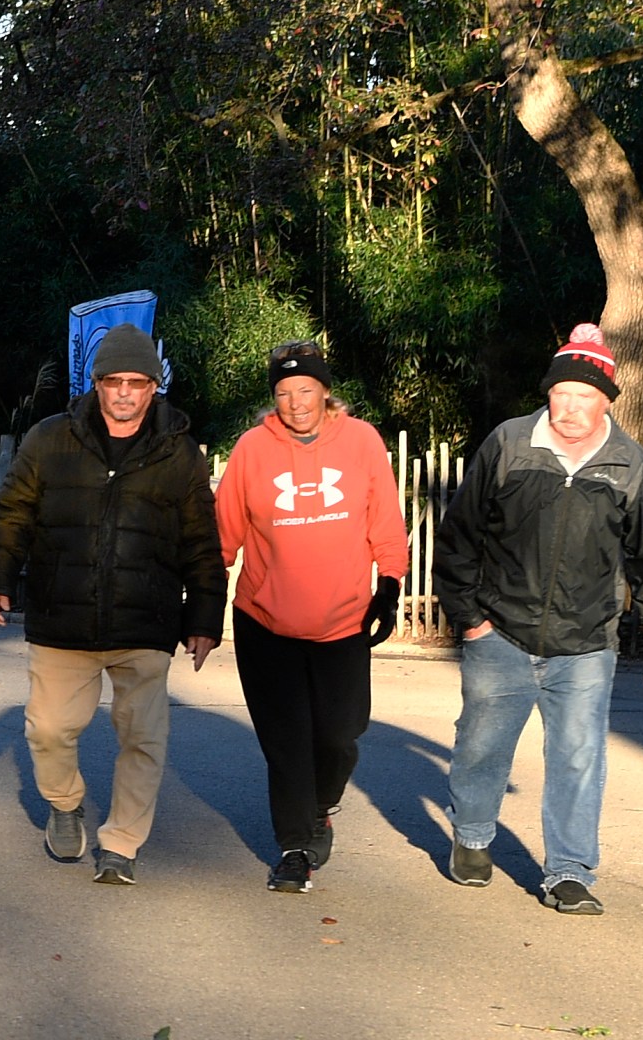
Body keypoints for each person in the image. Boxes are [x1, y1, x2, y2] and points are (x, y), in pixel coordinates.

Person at [432, 323, 643, 916]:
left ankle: (569, 871)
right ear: (548, 392)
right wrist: (471, 619)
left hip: (586, 643)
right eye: (562, 393)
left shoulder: (628, 463)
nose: (571, 407)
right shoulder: (509, 444)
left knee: (578, 756)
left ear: (607, 400)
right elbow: (459, 538)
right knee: (481, 745)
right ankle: (472, 837)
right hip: (499, 631)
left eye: (586, 396)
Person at [0, 322, 224, 886]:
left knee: (143, 736)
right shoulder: (49, 439)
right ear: (96, 383)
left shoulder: (179, 453)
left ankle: (122, 843)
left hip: (146, 618)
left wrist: (205, 615)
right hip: (61, 616)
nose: (122, 392)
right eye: (112, 380)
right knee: (47, 729)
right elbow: (10, 510)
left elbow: (200, 540)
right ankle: (65, 804)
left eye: (135, 382)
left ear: (152, 388)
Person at [213, 340, 408, 894]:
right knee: (287, 740)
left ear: (325, 391)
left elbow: (385, 520)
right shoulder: (252, 449)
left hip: (341, 622)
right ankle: (295, 846)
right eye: (283, 393)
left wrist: (389, 583)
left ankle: (323, 803)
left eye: (305, 390)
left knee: (341, 735)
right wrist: (203, 597)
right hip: (265, 621)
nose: (296, 402)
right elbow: (225, 531)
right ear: (272, 399)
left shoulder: (362, 441)